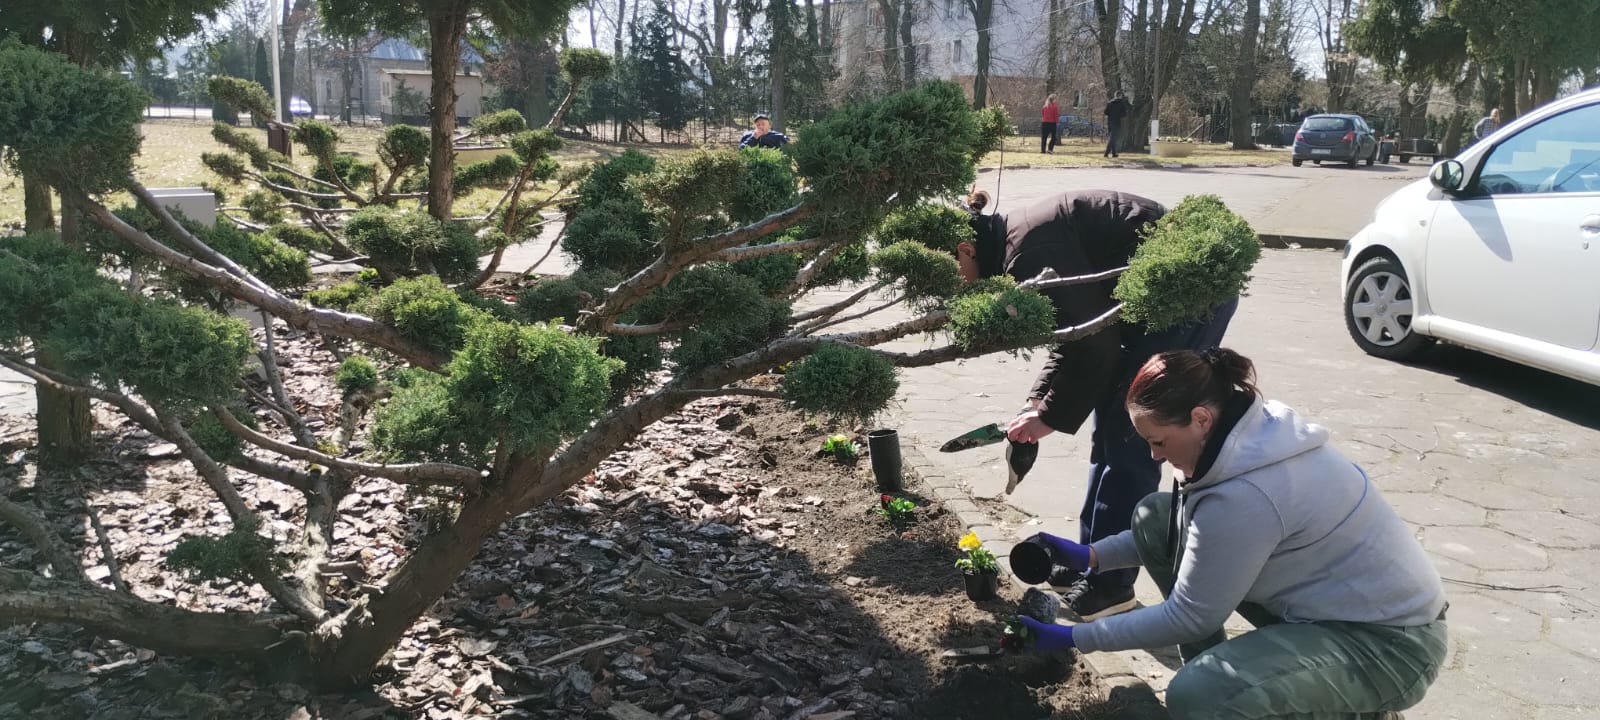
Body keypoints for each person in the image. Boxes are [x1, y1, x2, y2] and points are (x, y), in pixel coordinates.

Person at [1012, 348, 1449, 720]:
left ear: (1200, 418)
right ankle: (1242, 684)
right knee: (1154, 516)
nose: (1154, 456)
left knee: (1197, 696)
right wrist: (1090, 556)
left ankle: (1349, 705)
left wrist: (1075, 638)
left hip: (1389, 647)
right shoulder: (1240, 436)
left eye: (1159, 441)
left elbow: (1189, 617)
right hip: (1327, 609)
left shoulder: (1248, 493)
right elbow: (1188, 535)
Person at [958, 189, 1238, 620]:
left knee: (1130, 440)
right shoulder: (1018, 245)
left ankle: (1110, 586)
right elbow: (1074, 335)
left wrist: (1049, 417)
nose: (958, 287)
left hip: (1187, 299)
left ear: (966, 249)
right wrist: (1038, 402)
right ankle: (1090, 561)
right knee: (1108, 434)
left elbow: (1094, 345)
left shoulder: (1026, 254)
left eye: (952, 273)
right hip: (1148, 308)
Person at [1103, 90, 1129, 158]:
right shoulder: (1121, 104)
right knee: (1113, 138)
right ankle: (1106, 152)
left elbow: (1105, 112)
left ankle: (1114, 153)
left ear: (1115, 95)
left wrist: (1111, 114)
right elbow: (1124, 114)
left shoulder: (1110, 103)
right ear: (1120, 96)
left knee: (1112, 138)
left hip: (1110, 122)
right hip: (1117, 122)